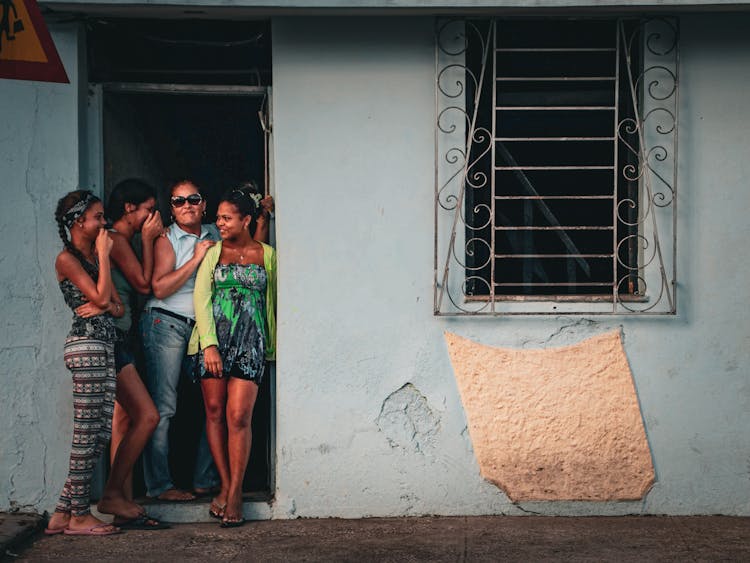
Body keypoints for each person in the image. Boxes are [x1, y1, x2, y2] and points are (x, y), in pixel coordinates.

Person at [140, 180, 272, 504]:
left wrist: (263, 217)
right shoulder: (166, 239)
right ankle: (159, 485)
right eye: (178, 201)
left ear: (203, 204)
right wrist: (196, 260)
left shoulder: (217, 231)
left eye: (193, 199)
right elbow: (159, 288)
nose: (186, 205)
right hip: (168, 324)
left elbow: (250, 251)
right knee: (166, 407)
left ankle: (207, 480)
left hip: (206, 330)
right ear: (171, 208)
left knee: (215, 407)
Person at [188, 186, 277, 528]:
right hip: (216, 343)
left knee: (239, 415)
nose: (219, 223)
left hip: (251, 343)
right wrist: (209, 344)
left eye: (227, 218)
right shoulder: (213, 252)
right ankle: (225, 485)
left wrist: (271, 343)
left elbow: (273, 300)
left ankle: (236, 492)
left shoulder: (267, 255)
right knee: (214, 413)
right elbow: (201, 297)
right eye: (219, 217)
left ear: (246, 220)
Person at [46, 190, 122, 536]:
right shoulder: (68, 259)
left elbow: (117, 308)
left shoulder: (93, 256)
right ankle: (79, 516)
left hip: (104, 346)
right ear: (79, 221)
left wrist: (104, 300)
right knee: (84, 435)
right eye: (98, 216)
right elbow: (105, 297)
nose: (103, 222)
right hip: (86, 346)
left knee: (98, 433)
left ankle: (62, 513)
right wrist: (105, 260)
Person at [97, 178, 167, 529]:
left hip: (120, 338)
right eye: (148, 210)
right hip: (115, 341)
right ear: (129, 208)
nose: (152, 216)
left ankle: (120, 501)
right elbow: (143, 284)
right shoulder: (120, 240)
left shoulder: (116, 238)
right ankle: (114, 494)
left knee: (123, 421)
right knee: (146, 416)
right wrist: (151, 240)